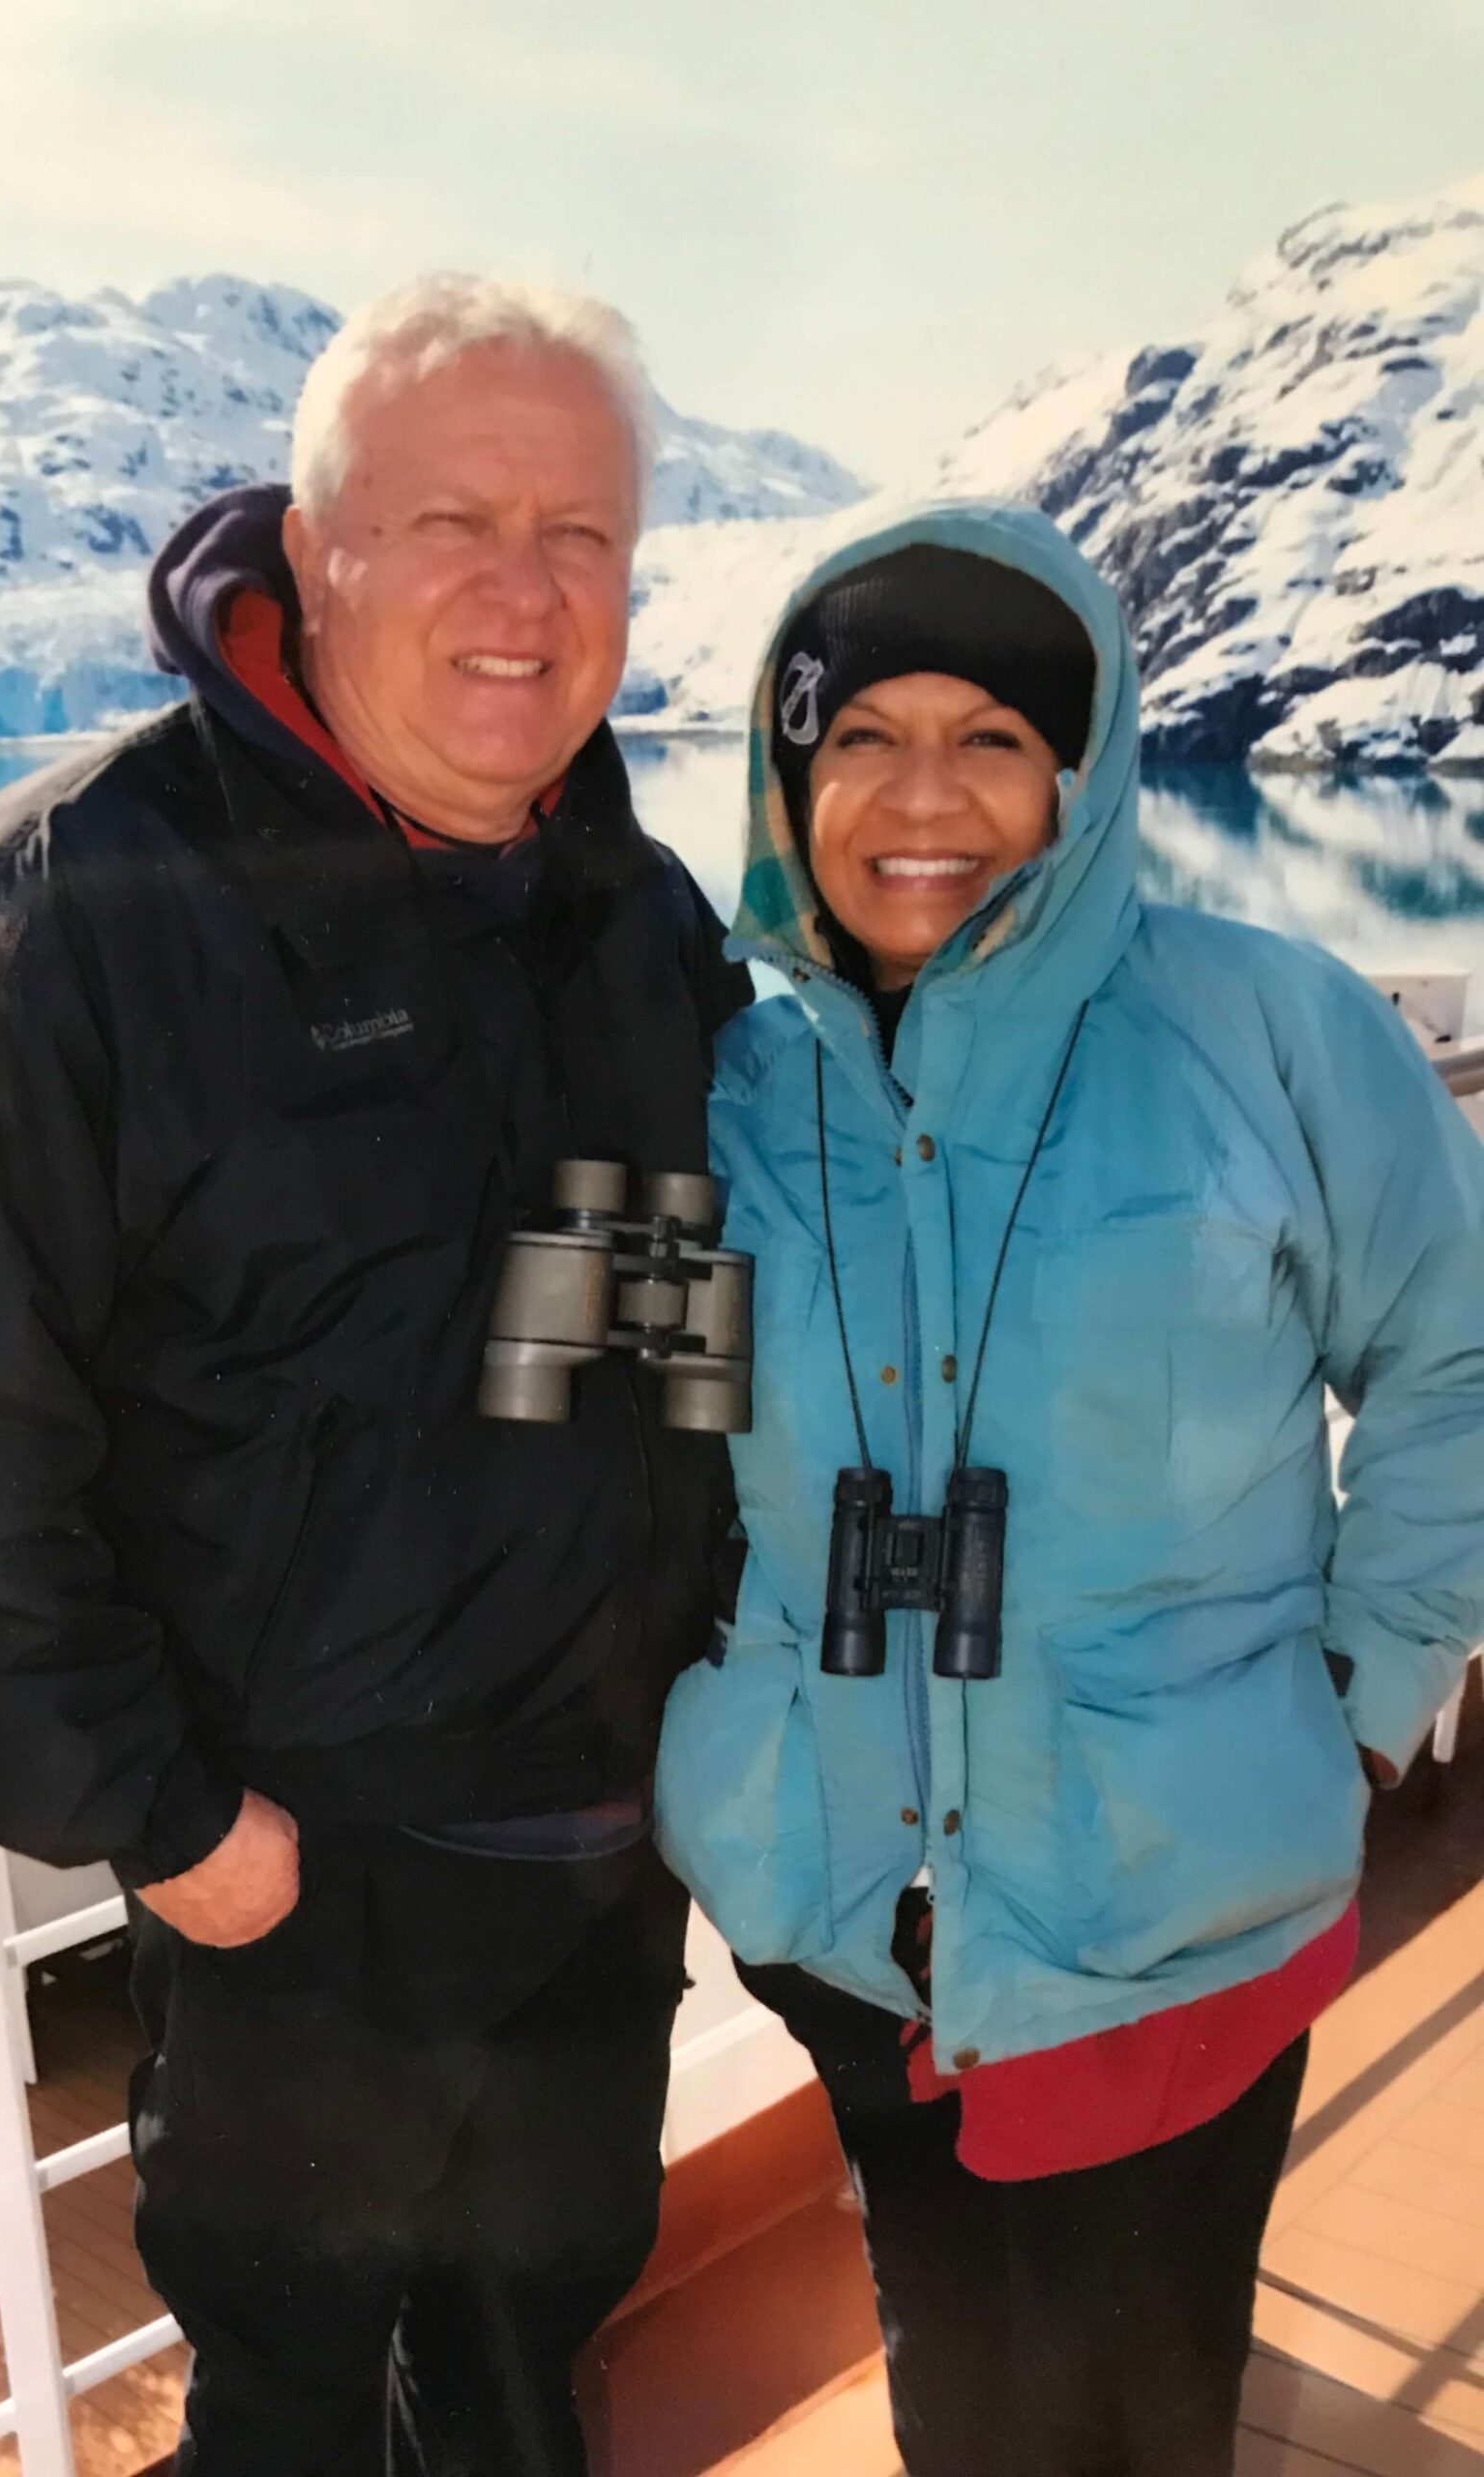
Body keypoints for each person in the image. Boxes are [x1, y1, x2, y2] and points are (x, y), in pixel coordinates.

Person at [0, 275, 750, 2477]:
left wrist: (706, 1684)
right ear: (316, 551)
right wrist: (168, 1817)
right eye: (452, 523)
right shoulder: (71, 912)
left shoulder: (636, 911)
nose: (526, 592)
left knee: (530, 2375)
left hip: (597, 1860)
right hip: (301, 1875)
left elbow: (673, 1318)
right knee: (292, 2413)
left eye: (582, 534)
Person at [655, 501, 1484, 2477]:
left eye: (993, 739)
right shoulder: (733, 1087)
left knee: (1134, 2409)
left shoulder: (1268, 1029)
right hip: (845, 1907)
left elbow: (1457, 1358)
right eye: (860, 738)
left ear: (1083, 770)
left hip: (1171, 1897)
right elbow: (649, 1434)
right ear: (791, 778)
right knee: (962, 2389)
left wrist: (1360, 1710)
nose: (919, 795)